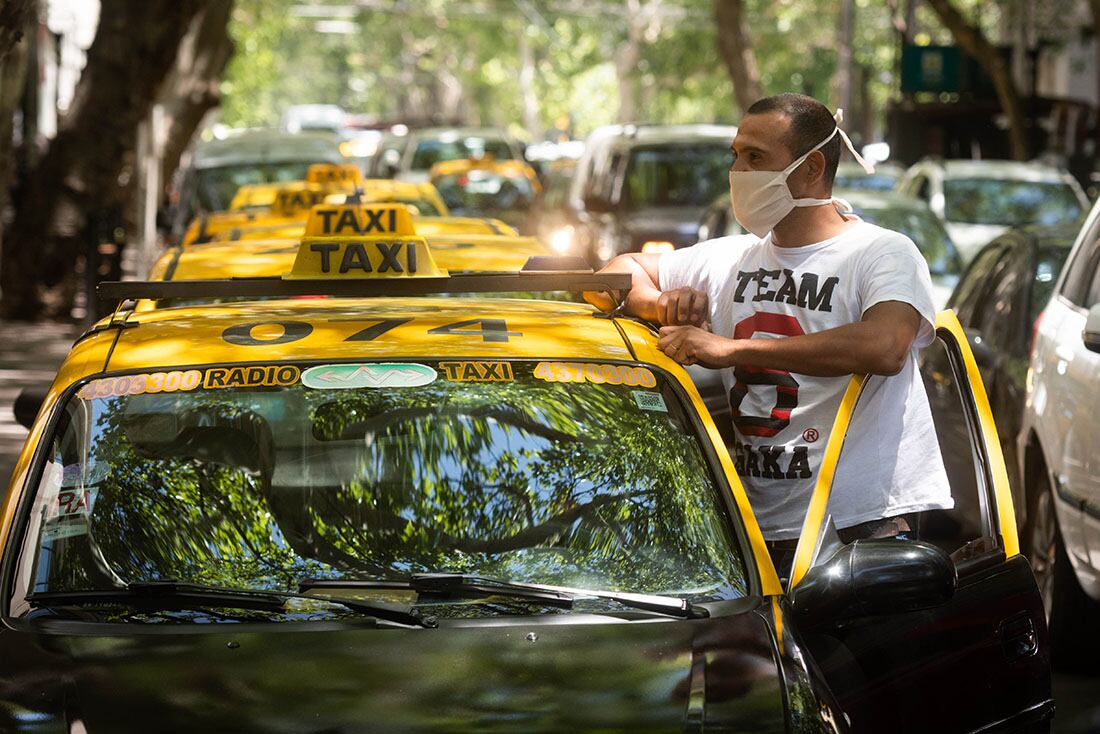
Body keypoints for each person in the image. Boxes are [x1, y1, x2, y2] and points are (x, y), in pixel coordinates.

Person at [585, 93, 953, 574]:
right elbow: (616, 272)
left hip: (858, 531)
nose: (737, 171)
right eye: (735, 156)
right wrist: (660, 303)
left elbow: (886, 345)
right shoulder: (728, 259)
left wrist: (730, 349)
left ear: (811, 168)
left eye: (755, 157)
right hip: (753, 532)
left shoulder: (883, 253)